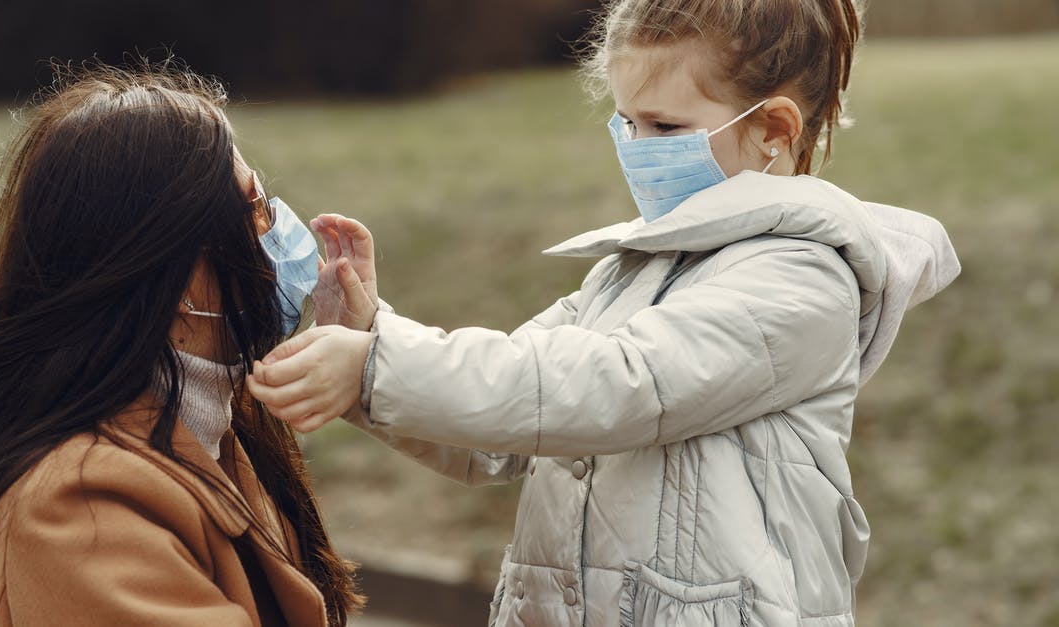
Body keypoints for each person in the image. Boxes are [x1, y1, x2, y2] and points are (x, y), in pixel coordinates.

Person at [247, 0, 962, 625]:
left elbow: (613, 385)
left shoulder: (799, 280)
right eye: (625, 123)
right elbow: (503, 430)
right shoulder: (629, 272)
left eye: (664, 125)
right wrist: (371, 335)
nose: (637, 149)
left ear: (774, 129)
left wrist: (376, 368)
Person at [0, 63, 362, 627]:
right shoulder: (81, 507)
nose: (280, 229)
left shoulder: (215, 428)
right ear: (178, 276)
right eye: (255, 209)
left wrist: (374, 360)